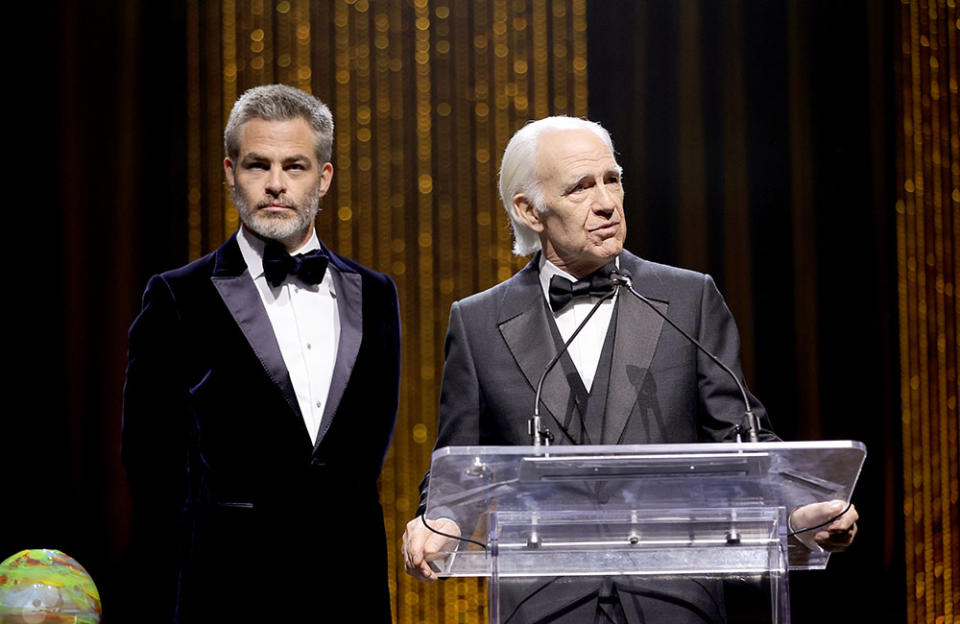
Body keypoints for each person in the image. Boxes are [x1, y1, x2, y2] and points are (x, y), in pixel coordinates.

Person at [401, 116, 858, 622]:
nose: (606, 202)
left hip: (674, 596)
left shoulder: (687, 299)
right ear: (530, 210)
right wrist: (438, 519)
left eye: (612, 179)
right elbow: (458, 463)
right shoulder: (479, 321)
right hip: (542, 603)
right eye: (580, 187)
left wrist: (799, 511)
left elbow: (742, 439)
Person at [122, 84, 399, 622]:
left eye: (294, 166)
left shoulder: (377, 294)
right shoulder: (177, 296)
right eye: (257, 165)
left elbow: (366, 458)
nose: (275, 184)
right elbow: (150, 472)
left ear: (324, 178)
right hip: (226, 594)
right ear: (230, 173)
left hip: (351, 590)